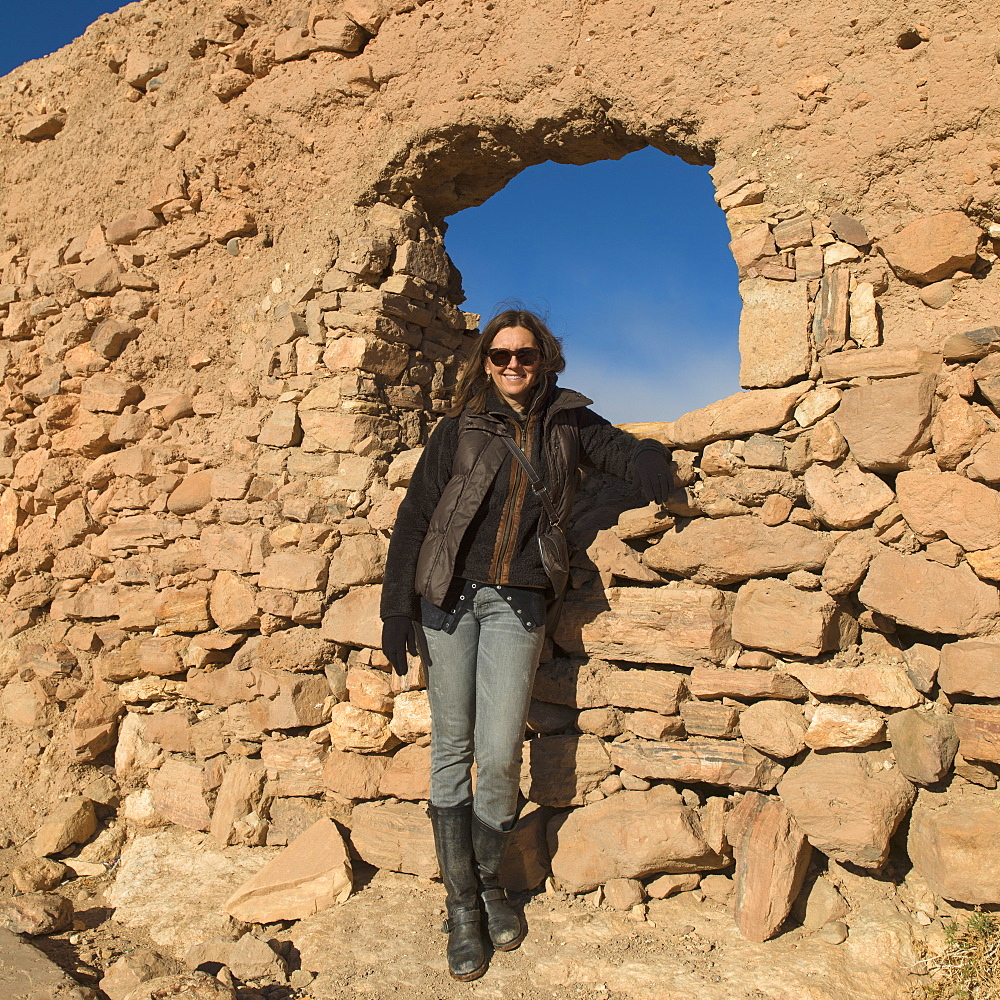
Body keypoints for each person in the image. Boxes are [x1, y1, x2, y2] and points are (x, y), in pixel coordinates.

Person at [380, 308, 671, 981]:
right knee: (451, 749)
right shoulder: (457, 431)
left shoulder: (569, 422)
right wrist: (397, 608)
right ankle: (463, 908)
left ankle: (489, 885)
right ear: (486, 362)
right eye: (501, 355)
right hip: (447, 601)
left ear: (546, 361)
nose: (513, 366)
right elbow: (416, 517)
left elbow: (624, 455)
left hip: (518, 602)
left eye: (526, 355)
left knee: (501, 753)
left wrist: (653, 461)